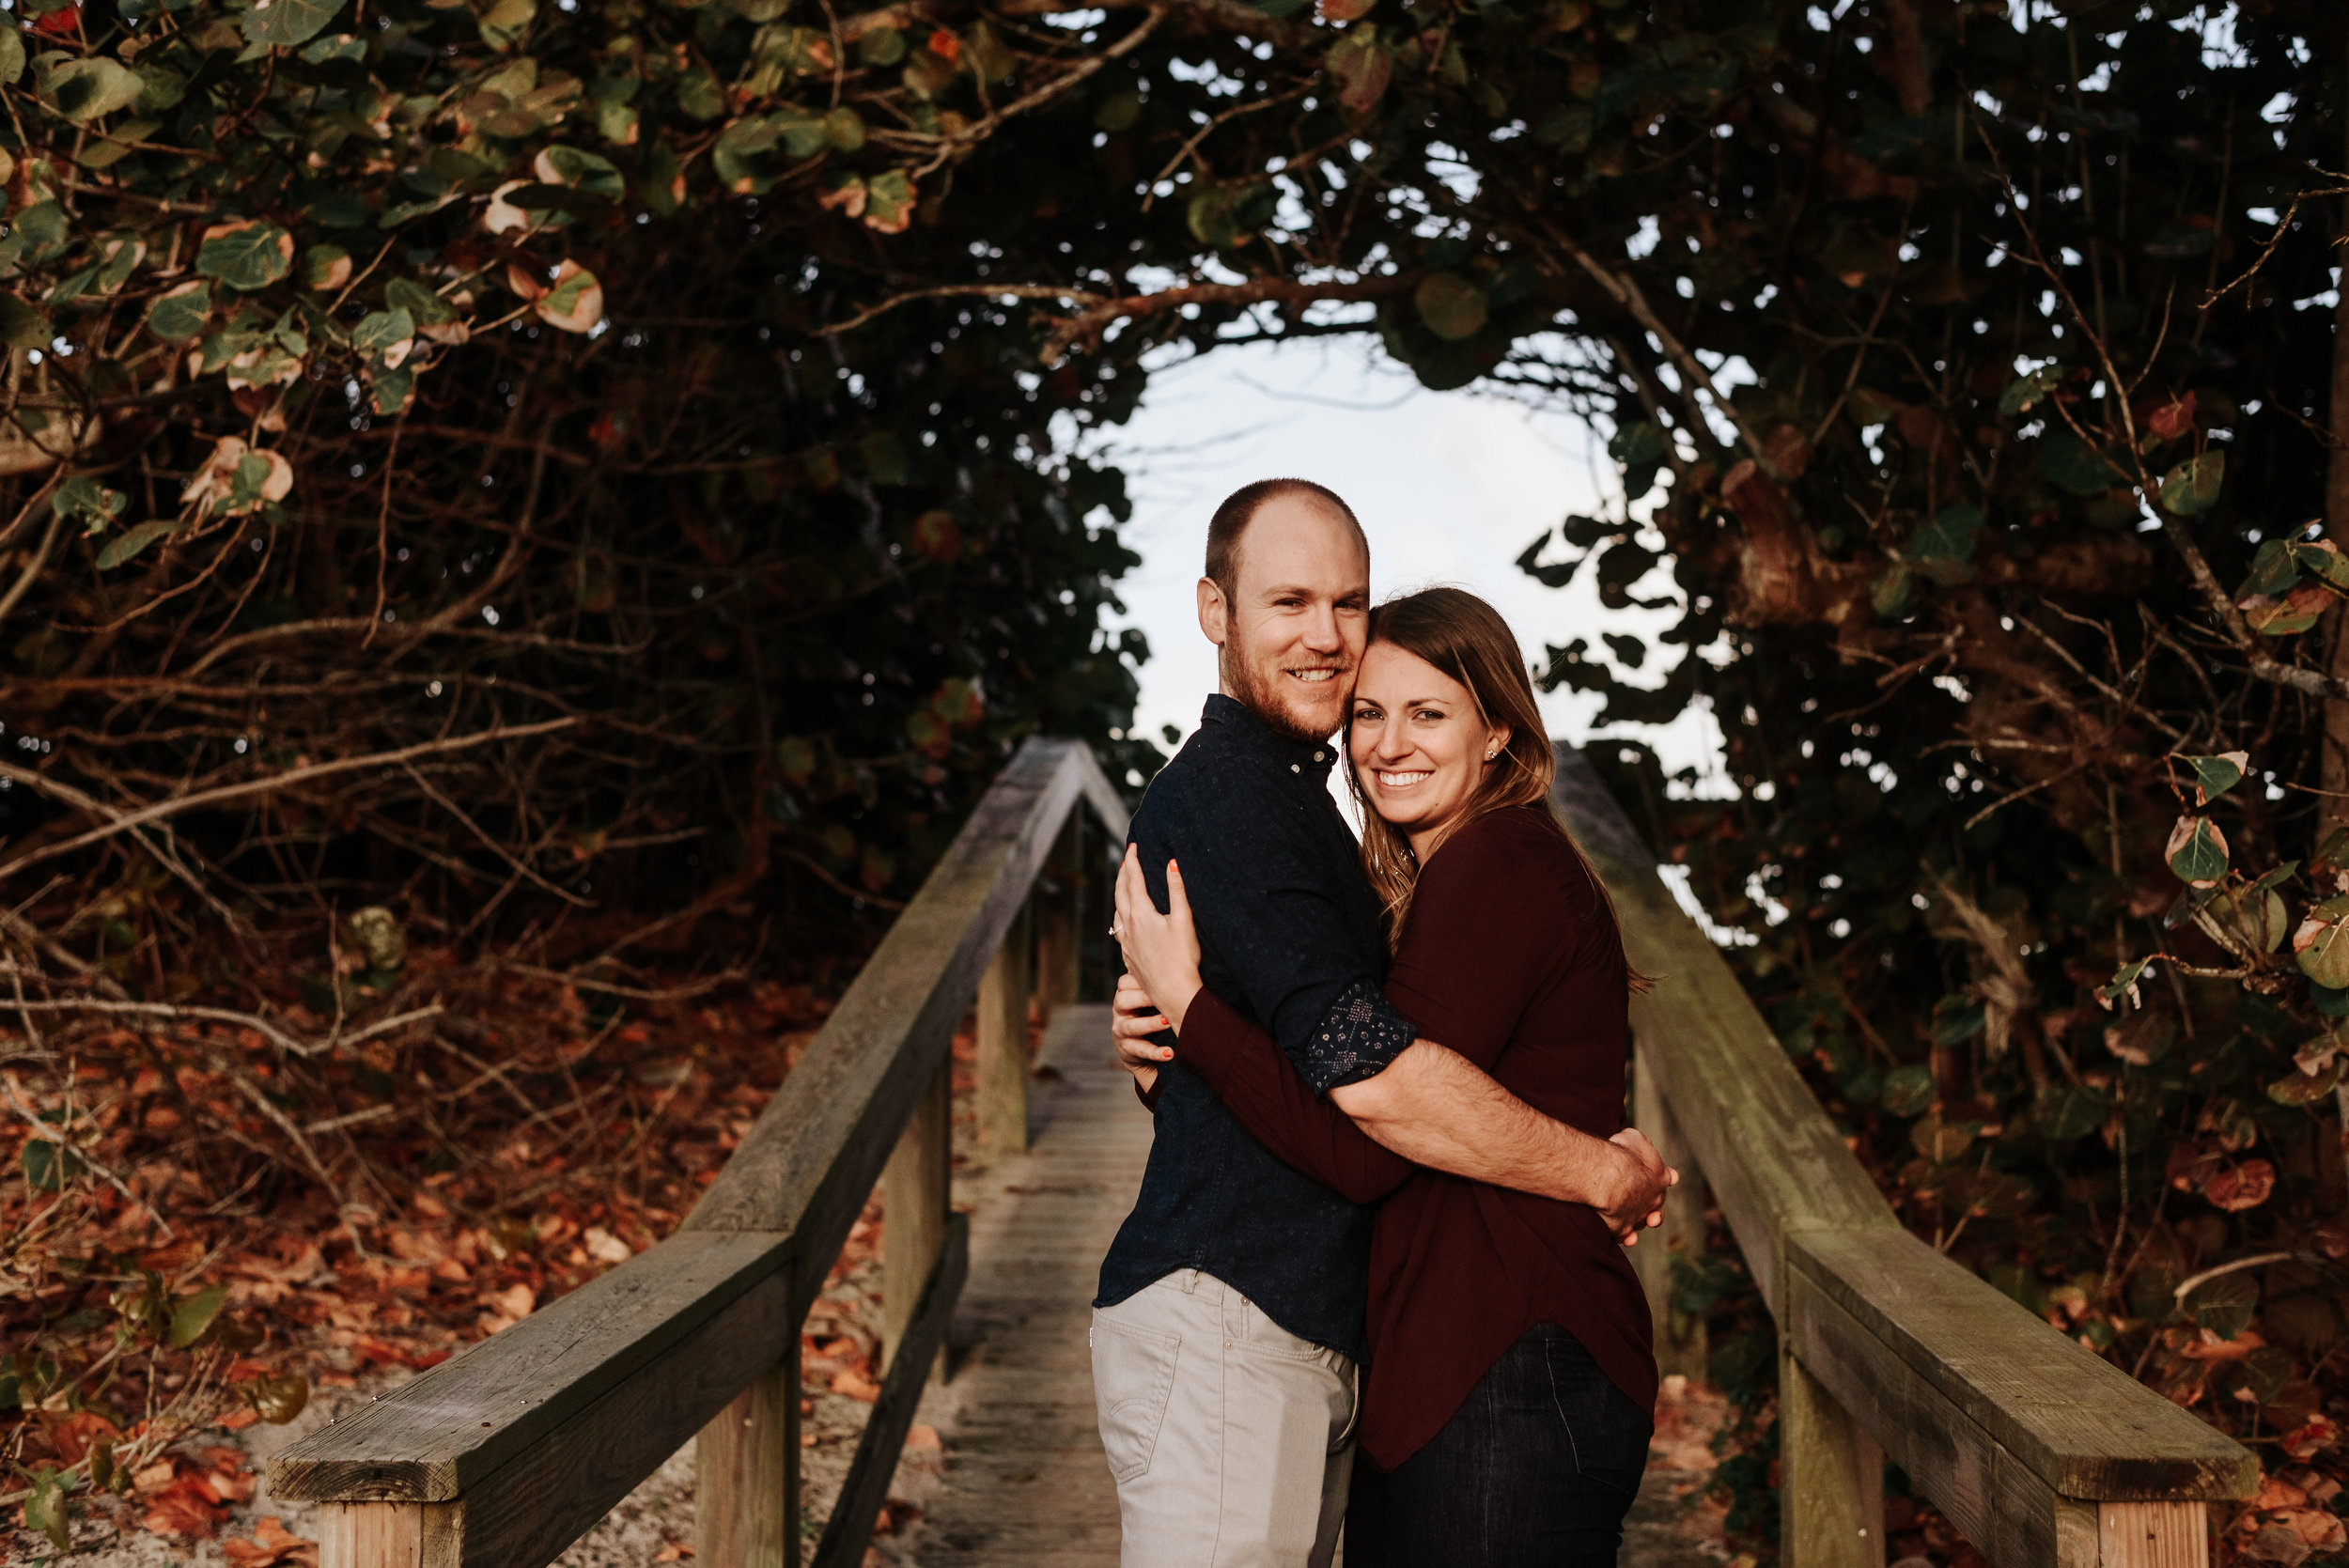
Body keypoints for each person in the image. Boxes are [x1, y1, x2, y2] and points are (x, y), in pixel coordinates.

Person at [1090, 480, 1672, 1568]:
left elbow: (1367, 1108)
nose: (1386, 741)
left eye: (1345, 605)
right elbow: (1360, 1102)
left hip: (1482, 1347)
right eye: (1371, 712)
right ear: (1215, 611)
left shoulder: (1486, 859)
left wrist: (1193, 1017)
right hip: (1299, 1331)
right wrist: (1176, 1033)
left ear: (1498, 730)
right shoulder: (1246, 799)